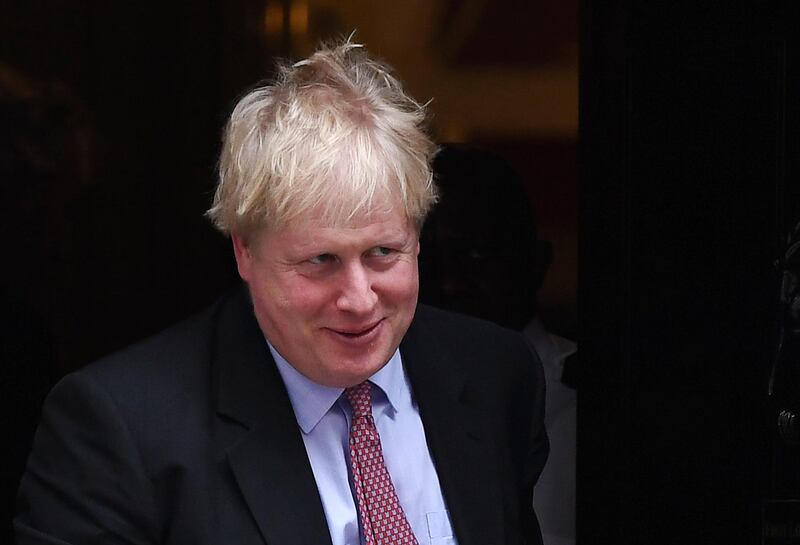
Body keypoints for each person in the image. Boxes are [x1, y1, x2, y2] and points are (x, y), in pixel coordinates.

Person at [15, 40, 548, 545]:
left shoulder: (497, 377)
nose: (360, 299)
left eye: (383, 253)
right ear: (244, 251)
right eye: (321, 261)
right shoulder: (120, 430)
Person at [420, 144, 577, 545]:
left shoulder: (572, 403)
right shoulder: (375, 397)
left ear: (536, 263)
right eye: (426, 258)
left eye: (475, 255)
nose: (448, 281)